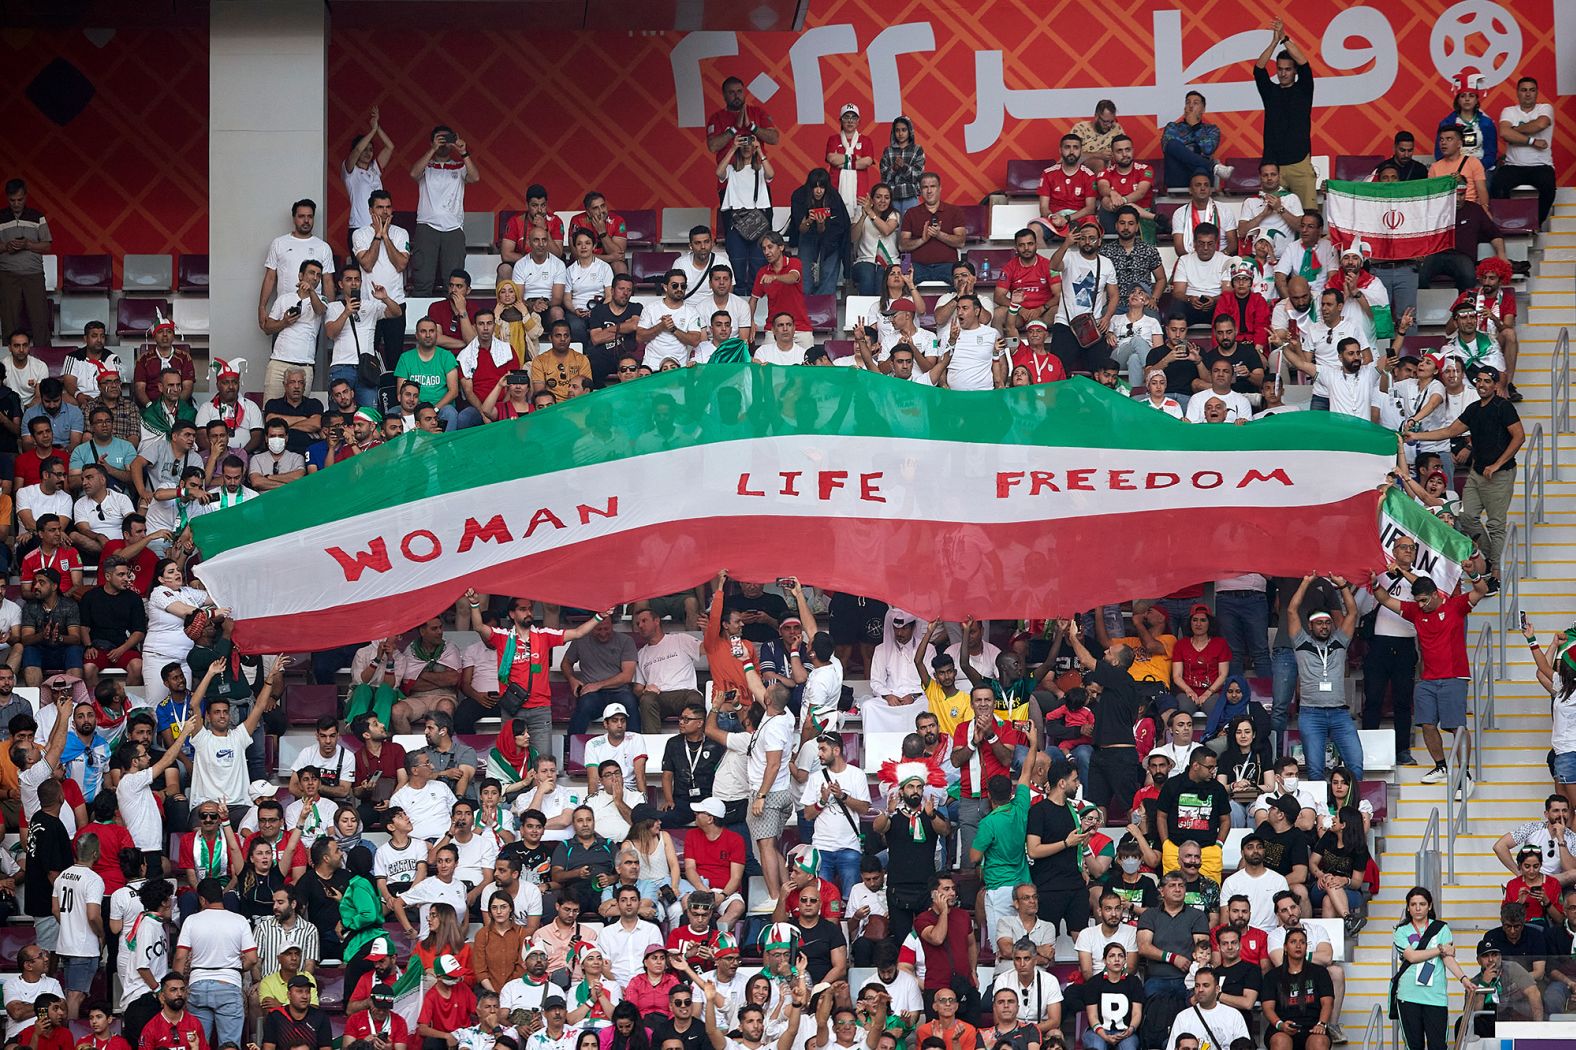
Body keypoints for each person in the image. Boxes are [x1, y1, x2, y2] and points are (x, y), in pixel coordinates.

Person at [1287, 574, 1364, 780]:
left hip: (1339, 713)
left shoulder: (1339, 641)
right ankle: (1321, 812)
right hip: (1311, 714)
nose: (1324, 627)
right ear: (1310, 626)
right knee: (1314, 769)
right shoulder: (1301, 642)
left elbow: (1353, 612)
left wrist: (1343, 585)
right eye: (1319, 623)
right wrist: (1304, 582)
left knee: (1355, 764)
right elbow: (1291, 610)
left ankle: (1351, 810)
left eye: (1327, 623)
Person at [174, 877, 258, 1047]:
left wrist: (178, 983)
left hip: (198, 985)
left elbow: (180, 957)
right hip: (229, 983)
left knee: (197, 1045)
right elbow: (252, 959)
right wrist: (238, 969)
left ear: (202, 899)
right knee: (229, 1045)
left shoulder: (191, 920)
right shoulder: (239, 920)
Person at [1392, 886, 1474, 1050]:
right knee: (1414, 1046)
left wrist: (1463, 979)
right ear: (1408, 907)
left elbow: (1448, 959)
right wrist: (1440, 949)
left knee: (1438, 1045)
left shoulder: (1441, 928)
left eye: (1422, 904)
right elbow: (1412, 957)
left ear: (1429, 906)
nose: (1417, 908)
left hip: (1435, 995)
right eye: (1413, 904)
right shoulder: (1401, 930)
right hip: (1408, 995)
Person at [408, 127, 479, 296]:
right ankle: (420, 321)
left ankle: (454, 319)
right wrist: (432, 149)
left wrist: (463, 152)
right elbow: (413, 173)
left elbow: (475, 177)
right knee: (423, 278)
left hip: (453, 229)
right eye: (438, 139)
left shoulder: (460, 166)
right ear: (431, 141)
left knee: (454, 280)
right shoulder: (427, 166)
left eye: (446, 139)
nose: (443, 143)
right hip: (426, 227)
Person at [1251, 20, 1316, 204]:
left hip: (1299, 163)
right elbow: (1259, 69)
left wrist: (1284, 38)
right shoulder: (1270, 92)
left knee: (1307, 217)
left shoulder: (1304, 89)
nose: (1283, 73)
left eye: (1288, 69)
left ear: (1294, 71)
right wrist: (1274, 42)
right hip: (1273, 167)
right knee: (1273, 218)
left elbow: (1304, 63)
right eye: (1279, 69)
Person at [1493, 76, 1556, 225]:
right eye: (1524, 90)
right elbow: (1504, 133)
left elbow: (1540, 124)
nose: (1528, 94)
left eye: (1532, 90)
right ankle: (1508, 224)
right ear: (1517, 93)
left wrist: (1514, 131)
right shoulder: (1509, 111)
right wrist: (1532, 141)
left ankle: (1535, 224)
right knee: (1497, 187)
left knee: (1548, 189)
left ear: (1537, 93)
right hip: (1513, 166)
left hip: (1541, 166)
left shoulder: (1545, 108)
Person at [1262, 927, 1334, 1050]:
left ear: (1307, 947)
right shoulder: (1272, 976)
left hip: (1313, 1025)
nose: (1298, 945)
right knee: (1280, 1042)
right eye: (1293, 942)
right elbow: (1267, 1007)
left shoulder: (1320, 972)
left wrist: (1321, 1024)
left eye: (1302, 942)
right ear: (1285, 947)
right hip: (1282, 1026)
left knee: (1319, 1042)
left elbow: (1327, 1003)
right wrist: (1280, 1025)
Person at [898, 173, 967, 284]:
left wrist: (939, 235)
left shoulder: (954, 211)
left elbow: (961, 242)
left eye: (933, 186)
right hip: (917, 266)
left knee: (962, 283)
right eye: (925, 187)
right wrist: (922, 240)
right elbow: (902, 245)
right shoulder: (911, 213)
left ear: (940, 188)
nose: (929, 191)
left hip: (947, 265)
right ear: (920, 191)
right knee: (901, 282)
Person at [1161, 92, 1232, 190]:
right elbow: (1167, 148)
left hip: (1202, 174)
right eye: (1188, 103)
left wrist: (1195, 126)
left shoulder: (1211, 129)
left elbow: (1208, 150)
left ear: (1203, 109)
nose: (1190, 106)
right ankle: (1214, 167)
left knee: (1201, 168)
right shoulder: (1172, 127)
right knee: (1172, 144)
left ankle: (1211, 167)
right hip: (1178, 174)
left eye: (1195, 103)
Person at [1081, 944, 1144, 1050]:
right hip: (1099, 1032)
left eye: (1120, 956)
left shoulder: (1134, 982)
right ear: (1105, 960)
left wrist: (1130, 1030)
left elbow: (1137, 1013)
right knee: (1097, 1047)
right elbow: (1092, 1016)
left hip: (1126, 1032)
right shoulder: (1094, 983)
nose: (1116, 959)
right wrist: (1104, 1036)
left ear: (1125, 960)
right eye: (1111, 956)